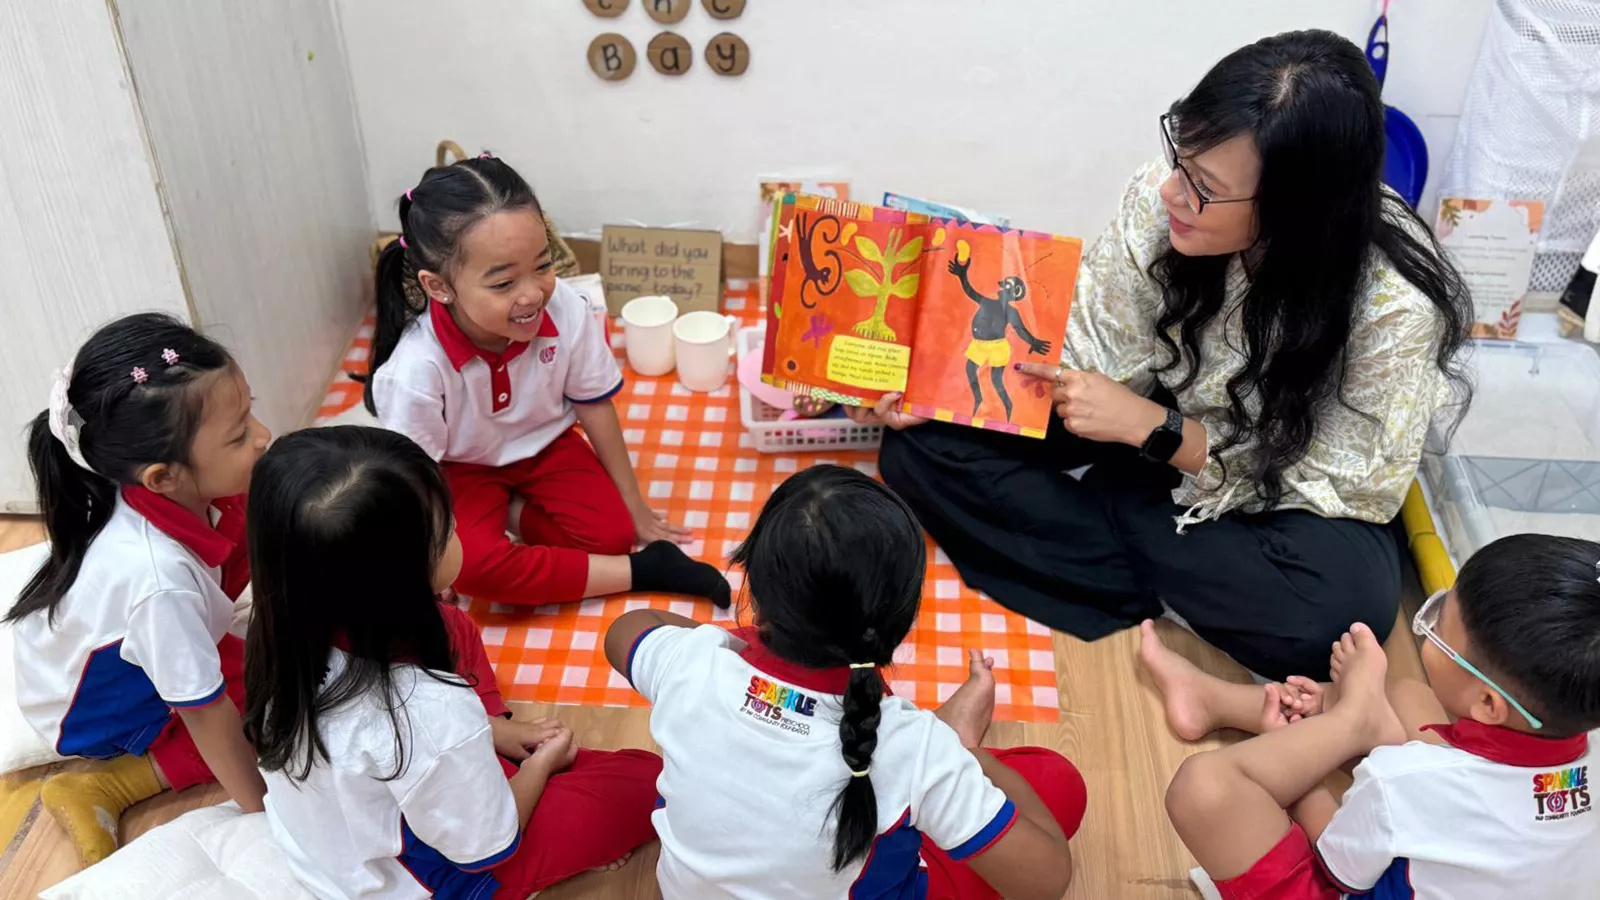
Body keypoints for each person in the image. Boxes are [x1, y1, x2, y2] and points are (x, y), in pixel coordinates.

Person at [851, 29, 1473, 681]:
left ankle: (1115, 533)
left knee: (1341, 618)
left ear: (1295, 210)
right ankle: (1158, 558)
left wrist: (1155, 432)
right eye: (1182, 156)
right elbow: (1090, 340)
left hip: (1269, 483)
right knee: (918, 449)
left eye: (1204, 186)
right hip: (1153, 418)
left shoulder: (1394, 306)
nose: (1172, 191)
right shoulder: (1166, 196)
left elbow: (1344, 486)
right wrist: (947, 387)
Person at [604, 465, 1087, 900]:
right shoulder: (915, 750)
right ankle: (960, 739)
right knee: (1056, 781)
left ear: (755, 581)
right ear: (898, 619)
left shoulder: (693, 661)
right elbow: (1046, 880)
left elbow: (626, 629)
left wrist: (737, 646)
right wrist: (959, 751)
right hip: (913, 765)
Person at [245, 426, 662, 900]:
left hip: (344, 836)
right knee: (647, 778)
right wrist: (539, 767)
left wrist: (495, 732)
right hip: (435, 879)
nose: (461, 532)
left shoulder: (280, 627)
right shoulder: (431, 713)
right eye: (448, 529)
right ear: (402, 578)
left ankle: (499, 755)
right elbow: (490, 846)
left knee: (452, 625)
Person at [364, 153, 729, 610]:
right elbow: (415, 477)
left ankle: (516, 511)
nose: (532, 294)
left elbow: (595, 405)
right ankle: (646, 572)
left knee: (612, 535)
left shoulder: (567, 309)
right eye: (503, 283)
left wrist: (634, 505)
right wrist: (433, 554)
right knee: (470, 567)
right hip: (459, 469)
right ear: (440, 288)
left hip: (547, 447)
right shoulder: (415, 368)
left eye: (542, 265)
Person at [1144, 533, 1600, 899]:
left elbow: (1335, 866)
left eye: (1437, 630)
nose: (1428, 632)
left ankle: (1350, 721)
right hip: (1457, 817)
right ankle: (1228, 702)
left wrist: (1313, 750)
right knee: (1406, 695)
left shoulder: (1399, 784)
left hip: (1361, 861)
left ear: (1489, 704)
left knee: (1205, 789)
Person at [4, 314, 270, 863]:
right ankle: (110, 783)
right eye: (241, 434)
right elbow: (208, 714)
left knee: (258, 518)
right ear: (162, 477)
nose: (264, 437)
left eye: (250, 415)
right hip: (95, 706)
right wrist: (266, 816)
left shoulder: (171, 489)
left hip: (131, 639)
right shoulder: (158, 583)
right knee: (274, 697)